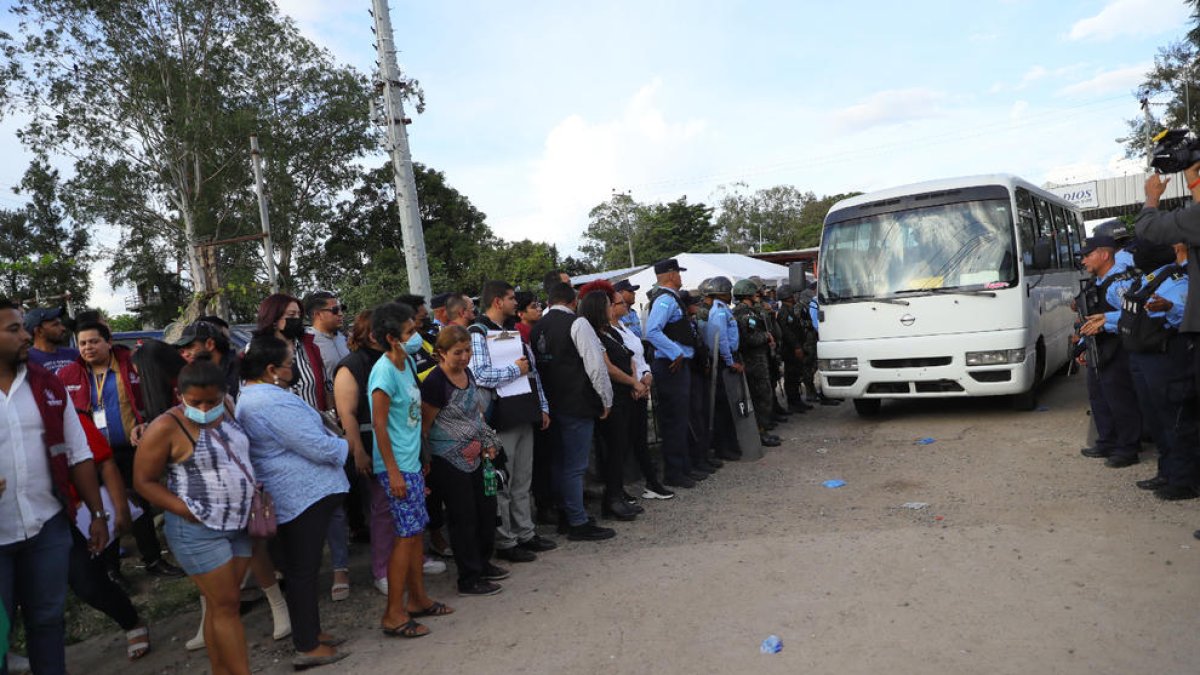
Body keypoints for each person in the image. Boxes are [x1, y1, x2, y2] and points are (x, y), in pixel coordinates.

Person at [0, 298, 109, 675]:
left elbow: (78, 453)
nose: (25, 335)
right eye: (13, 330)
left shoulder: (46, 383)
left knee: (47, 622)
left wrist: (97, 514)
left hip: (47, 528)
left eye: (22, 327)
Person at [133, 354, 257, 674]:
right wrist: (182, 509)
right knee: (228, 606)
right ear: (180, 396)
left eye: (211, 401)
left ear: (223, 394)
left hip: (239, 523)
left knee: (221, 605)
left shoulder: (228, 408)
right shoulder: (166, 427)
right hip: (198, 530)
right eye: (195, 402)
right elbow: (143, 481)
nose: (204, 409)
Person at [236, 335, 350, 669]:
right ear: (271, 369)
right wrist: (348, 448)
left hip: (299, 493)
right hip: (300, 496)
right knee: (302, 570)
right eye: (289, 365)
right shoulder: (268, 402)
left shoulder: (259, 396)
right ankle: (307, 644)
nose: (293, 370)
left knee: (304, 569)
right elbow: (317, 446)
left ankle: (310, 633)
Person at [58, 322, 186, 578]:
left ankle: (152, 560)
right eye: (82, 343)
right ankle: (111, 569)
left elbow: (156, 397)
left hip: (130, 448)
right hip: (91, 454)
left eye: (93, 341)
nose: (88, 347)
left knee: (140, 504)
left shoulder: (130, 364)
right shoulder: (69, 375)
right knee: (104, 507)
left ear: (108, 341)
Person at [253, 294, 351, 601]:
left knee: (333, 501)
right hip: (280, 434)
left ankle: (340, 567)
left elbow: (324, 382)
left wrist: (333, 418)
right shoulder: (257, 349)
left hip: (316, 424)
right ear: (273, 318)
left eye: (298, 313)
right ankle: (297, 572)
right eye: (289, 314)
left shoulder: (308, 343)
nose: (296, 319)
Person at [369, 303, 454, 638]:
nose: (416, 337)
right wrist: (392, 472)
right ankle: (393, 613)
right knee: (404, 539)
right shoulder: (383, 372)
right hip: (397, 467)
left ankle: (418, 599)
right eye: (409, 332)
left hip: (411, 462)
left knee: (415, 533)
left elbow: (410, 419)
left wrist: (422, 454)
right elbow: (379, 424)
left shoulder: (403, 364)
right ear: (392, 338)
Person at [468, 281, 556, 564]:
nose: (515, 302)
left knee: (522, 479)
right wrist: (512, 370)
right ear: (496, 302)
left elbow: (531, 373)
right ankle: (505, 540)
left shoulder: (511, 332)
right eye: (510, 298)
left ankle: (525, 532)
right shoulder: (477, 333)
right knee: (502, 481)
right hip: (499, 417)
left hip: (522, 410)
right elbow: (479, 375)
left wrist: (541, 404)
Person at [422, 326, 510, 595]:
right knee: (463, 518)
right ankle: (468, 577)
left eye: (467, 351)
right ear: (441, 353)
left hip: (479, 455)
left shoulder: (468, 373)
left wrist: (486, 444)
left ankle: (483, 563)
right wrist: (461, 447)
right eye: (457, 352)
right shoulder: (436, 383)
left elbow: (477, 413)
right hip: (449, 461)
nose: (464, 357)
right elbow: (427, 426)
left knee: (486, 510)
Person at [530, 283, 616, 541]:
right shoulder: (578, 324)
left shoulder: (538, 328)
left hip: (552, 404)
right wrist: (606, 398)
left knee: (560, 463)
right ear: (574, 301)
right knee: (576, 465)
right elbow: (596, 366)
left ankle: (567, 515)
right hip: (576, 403)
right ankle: (577, 521)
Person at [66, 410, 150, 661]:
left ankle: (131, 621)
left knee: (88, 583)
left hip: (60, 517)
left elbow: (103, 461)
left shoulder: (48, 399)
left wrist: (111, 510)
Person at [1118, 242, 1198, 499]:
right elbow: (1133, 312)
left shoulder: (1176, 279)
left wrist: (1169, 308)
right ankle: (1167, 472)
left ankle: (1185, 480)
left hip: (1165, 357)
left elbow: (1188, 313)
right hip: (1143, 356)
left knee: (1175, 421)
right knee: (1156, 420)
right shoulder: (1146, 278)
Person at [333, 310, 393, 596]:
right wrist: (358, 451)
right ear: (372, 334)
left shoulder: (393, 359)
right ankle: (382, 568)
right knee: (381, 508)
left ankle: (413, 556)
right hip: (371, 441)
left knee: (405, 505)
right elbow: (347, 415)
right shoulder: (350, 366)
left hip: (401, 439)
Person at [579, 284, 647, 521]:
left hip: (626, 394)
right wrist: (633, 382)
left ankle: (617, 495)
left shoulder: (612, 332)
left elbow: (629, 357)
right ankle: (612, 500)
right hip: (613, 399)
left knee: (621, 449)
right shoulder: (595, 335)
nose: (613, 308)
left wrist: (635, 380)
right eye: (609, 305)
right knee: (614, 451)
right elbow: (607, 367)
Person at [1077, 235, 1141, 469]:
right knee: (1099, 396)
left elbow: (1134, 315)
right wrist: (1082, 344)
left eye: (1088, 255)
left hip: (1117, 346)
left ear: (1104, 255)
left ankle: (1128, 448)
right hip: (1099, 347)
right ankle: (1107, 441)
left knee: (1120, 399)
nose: (1084, 261)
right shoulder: (1099, 282)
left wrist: (1106, 323)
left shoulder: (1118, 283)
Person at [645, 258, 705, 487]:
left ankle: (683, 467)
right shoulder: (664, 300)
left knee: (682, 419)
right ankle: (674, 472)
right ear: (670, 275)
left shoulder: (671, 299)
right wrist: (675, 352)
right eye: (678, 273)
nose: (681, 277)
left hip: (677, 366)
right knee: (674, 421)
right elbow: (652, 331)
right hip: (671, 367)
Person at [732, 280, 783, 448]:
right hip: (753, 361)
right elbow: (748, 339)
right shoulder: (745, 314)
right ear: (747, 295)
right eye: (754, 293)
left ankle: (762, 431)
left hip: (758, 359)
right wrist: (766, 336)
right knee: (761, 396)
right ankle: (760, 433)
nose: (758, 296)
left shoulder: (749, 312)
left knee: (762, 396)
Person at [701, 277, 744, 461]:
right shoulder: (719, 311)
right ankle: (723, 447)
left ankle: (730, 446)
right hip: (723, 361)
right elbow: (721, 338)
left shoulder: (722, 308)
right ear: (724, 292)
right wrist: (729, 361)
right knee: (722, 407)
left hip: (727, 359)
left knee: (727, 406)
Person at [174, 320, 241, 399]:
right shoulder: (189, 374)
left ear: (210, 344)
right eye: (182, 350)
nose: (185, 354)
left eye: (190, 346)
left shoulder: (241, 370)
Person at [24, 307, 78, 373]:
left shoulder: (74, 354)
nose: (63, 328)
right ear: (39, 331)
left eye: (60, 324)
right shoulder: (26, 360)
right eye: (55, 325)